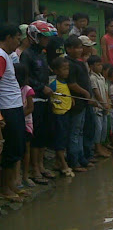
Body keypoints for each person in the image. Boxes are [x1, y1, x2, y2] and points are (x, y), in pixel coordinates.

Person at [20, 21, 57, 185]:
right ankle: (34, 169)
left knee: (44, 135)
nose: (46, 40)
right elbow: (26, 79)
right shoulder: (27, 55)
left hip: (45, 98)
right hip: (34, 99)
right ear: (35, 36)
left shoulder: (42, 54)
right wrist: (41, 87)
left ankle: (41, 166)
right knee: (35, 138)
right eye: (44, 37)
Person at [0, 24, 26, 202]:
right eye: (17, 37)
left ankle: (10, 185)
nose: (19, 41)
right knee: (10, 149)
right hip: (7, 109)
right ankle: (5, 189)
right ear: (8, 37)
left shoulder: (8, 56)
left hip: (14, 107)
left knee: (17, 147)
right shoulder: (1, 57)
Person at [65, 36, 92, 173]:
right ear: (68, 49)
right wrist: (85, 93)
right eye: (76, 48)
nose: (79, 50)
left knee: (80, 131)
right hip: (76, 102)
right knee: (75, 132)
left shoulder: (79, 63)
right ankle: (74, 161)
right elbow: (72, 84)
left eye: (80, 47)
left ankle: (82, 158)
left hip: (83, 103)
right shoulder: (68, 64)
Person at [49, 57, 75, 178]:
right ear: (56, 71)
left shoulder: (64, 82)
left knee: (64, 138)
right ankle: (64, 165)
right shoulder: (53, 84)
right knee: (60, 140)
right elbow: (51, 97)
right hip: (58, 115)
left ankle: (58, 162)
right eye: (64, 69)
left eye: (67, 69)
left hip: (66, 113)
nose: (67, 71)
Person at [14, 64, 35, 188]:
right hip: (17, 122)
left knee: (26, 150)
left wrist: (18, 117)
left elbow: (30, 108)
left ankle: (25, 176)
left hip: (26, 123)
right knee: (17, 150)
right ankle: (17, 177)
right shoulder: (11, 89)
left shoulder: (27, 89)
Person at [88, 55, 111, 158]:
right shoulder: (92, 78)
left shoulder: (101, 77)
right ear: (91, 66)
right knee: (98, 128)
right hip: (97, 107)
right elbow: (96, 92)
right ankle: (97, 148)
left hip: (104, 107)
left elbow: (105, 91)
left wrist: (107, 102)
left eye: (101, 64)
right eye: (98, 65)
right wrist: (103, 103)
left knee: (104, 128)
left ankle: (101, 146)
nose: (100, 67)